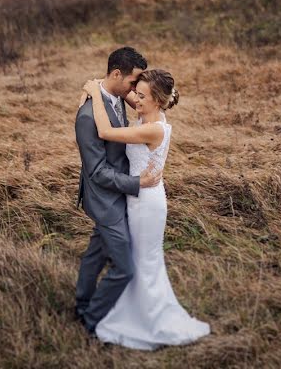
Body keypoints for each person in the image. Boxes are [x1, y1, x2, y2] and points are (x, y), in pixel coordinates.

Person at [79, 68, 210, 350]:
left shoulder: (151, 127)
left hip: (146, 203)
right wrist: (102, 85)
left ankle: (149, 319)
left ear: (157, 101)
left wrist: (93, 94)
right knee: (140, 259)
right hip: (139, 196)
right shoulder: (149, 112)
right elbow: (124, 92)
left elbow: (105, 131)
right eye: (136, 94)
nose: (135, 99)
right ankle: (133, 309)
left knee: (144, 261)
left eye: (141, 96)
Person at [74, 47, 163, 337]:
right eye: (133, 82)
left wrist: (95, 88)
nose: (135, 90)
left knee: (96, 254)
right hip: (106, 201)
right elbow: (97, 171)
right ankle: (91, 320)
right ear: (116, 74)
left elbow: (123, 95)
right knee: (124, 269)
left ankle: (82, 305)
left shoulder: (111, 97)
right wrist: (138, 184)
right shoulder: (88, 115)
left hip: (117, 195)